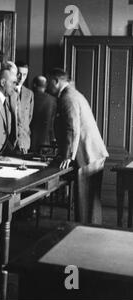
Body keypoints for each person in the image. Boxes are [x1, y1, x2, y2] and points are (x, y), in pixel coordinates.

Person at [47, 68, 109, 224]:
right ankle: (91, 232)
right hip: (91, 153)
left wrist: (69, 156)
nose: (48, 86)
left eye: (49, 82)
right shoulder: (72, 94)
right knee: (90, 203)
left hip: (87, 154)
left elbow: (73, 128)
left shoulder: (68, 97)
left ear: (56, 81)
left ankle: (86, 234)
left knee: (85, 202)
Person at [11, 61, 34, 154]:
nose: (21, 78)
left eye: (24, 75)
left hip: (24, 143)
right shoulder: (7, 91)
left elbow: (29, 117)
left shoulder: (29, 93)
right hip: (8, 143)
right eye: (19, 74)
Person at [30, 75, 57, 153]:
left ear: (34, 84)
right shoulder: (53, 100)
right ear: (46, 86)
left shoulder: (28, 97)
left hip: (30, 142)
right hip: (47, 142)